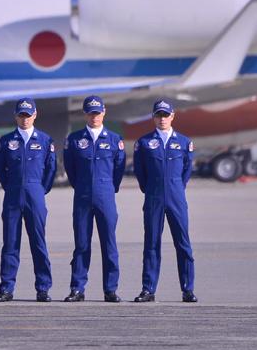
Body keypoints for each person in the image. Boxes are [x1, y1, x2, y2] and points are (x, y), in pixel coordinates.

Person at [0, 98, 57, 302]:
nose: (25, 119)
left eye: (28, 115)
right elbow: (0, 169)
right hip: (12, 195)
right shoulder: (5, 141)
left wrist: (38, 189)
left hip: (35, 193)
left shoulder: (45, 141)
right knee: (10, 243)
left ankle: (43, 288)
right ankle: (7, 288)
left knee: (38, 242)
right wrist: (12, 186)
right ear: (16, 116)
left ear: (35, 115)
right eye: (21, 115)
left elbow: (51, 170)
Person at [62, 95, 126, 303]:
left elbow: (119, 169)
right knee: (81, 244)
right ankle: (77, 288)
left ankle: (110, 289)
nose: (94, 116)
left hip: (105, 196)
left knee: (109, 244)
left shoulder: (115, 140)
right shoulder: (74, 140)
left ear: (104, 112)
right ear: (85, 114)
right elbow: (70, 168)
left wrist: (108, 188)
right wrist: (81, 185)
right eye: (91, 112)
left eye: (97, 112)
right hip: (82, 197)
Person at [132, 100, 197, 303]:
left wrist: (175, 186)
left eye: (165, 115)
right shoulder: (143, 143)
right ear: (153, 117)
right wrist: (152, 188)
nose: (162, 119)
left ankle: (187, 289)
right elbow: (140, 172)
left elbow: (187, 170)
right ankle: (148, 288)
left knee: (183, 243)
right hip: (154, 197)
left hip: (176, 197)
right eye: (158, 115)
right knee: (151, 243)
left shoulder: (184, 142)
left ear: (172, 116)